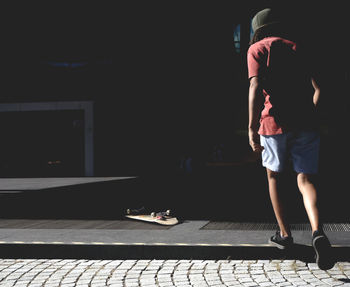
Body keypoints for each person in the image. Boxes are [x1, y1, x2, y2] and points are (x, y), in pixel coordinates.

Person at [247, 8, 334, 270]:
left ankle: (285, 235)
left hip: (273, 123)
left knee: (274, 175)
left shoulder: (257, 49)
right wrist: (312, 112)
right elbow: (321, 88)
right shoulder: (299, 46)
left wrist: (251, 127)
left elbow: (254, 88)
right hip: (306, 123)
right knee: (306, 179)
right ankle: (318, 231)